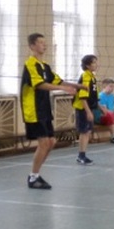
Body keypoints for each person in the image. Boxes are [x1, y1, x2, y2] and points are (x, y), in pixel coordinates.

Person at [21, 33, 81, 189]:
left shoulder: (45, 66)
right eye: (41, 42)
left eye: (44, 42)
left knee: (51, 142)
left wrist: (77, 86)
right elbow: (40, 84)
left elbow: (58, 81)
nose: (44, 45)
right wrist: (63, 89)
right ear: (32, 46)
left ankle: (35, 175)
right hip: (33, 109)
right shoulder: (30, 64)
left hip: (44, 108)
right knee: (44, 142)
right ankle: (33, 177)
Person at [73, 54, 99, 165]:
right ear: (88, 65)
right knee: (84, 132)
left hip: (89, 108)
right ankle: (81, 156)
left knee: (87, 131)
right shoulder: (86, 77)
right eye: (94, 62)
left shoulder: (92, 76)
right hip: (83, 108)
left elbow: (93, 94)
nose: (96, 64)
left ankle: (82, 155)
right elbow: (82, 96)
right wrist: (88, 111)